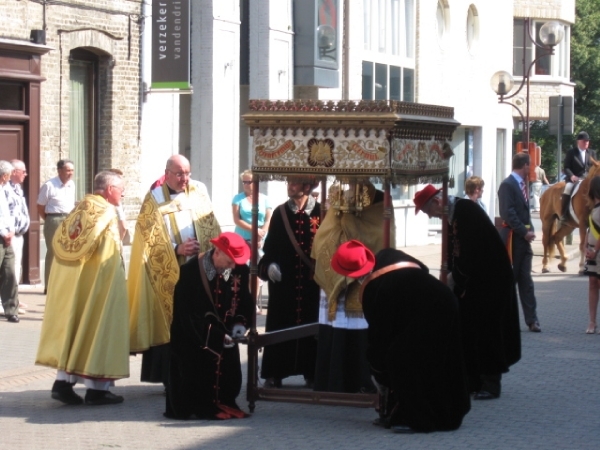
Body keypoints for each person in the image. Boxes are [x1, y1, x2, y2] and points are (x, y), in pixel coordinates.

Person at [334, 241, 470, 433]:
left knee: (401, 360)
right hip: (445, 299)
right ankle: (447, 409)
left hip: (431, 312)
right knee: (439, 360)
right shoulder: (388, 255)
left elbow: (379, 338)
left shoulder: (372, 290)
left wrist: (377, 371)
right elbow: (420, 268)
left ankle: (415, 418)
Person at [414, 185, 521, 399]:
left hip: (491, 281)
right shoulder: (452, 215)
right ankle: (472, 379)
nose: (429, 217)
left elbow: (470, 252)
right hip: (475, 282)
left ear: (436, 202)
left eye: (428, 211)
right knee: (469, 330)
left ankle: (490, 383)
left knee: (489, 330)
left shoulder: (466, 212)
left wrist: (454, 279)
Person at [35, 171, 128, 405]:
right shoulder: (106, 211)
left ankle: (63, 383)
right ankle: (98, 390)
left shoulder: (80, 207)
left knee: (74, 328)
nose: (124, 193)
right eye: (121, 189)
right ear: (109, 190)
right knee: (98, 329)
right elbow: (110, 249)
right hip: (99, 285)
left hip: (74, 282)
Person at [128, 154, 221, 387]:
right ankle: (171, 376)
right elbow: (147, 238)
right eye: (179, 174)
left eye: (188, 173)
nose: (185, 178)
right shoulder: (155, 199)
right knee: (174, 322)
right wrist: (177, 248)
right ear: (167, 173)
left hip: (199, 267)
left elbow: (210, 223)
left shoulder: (199, 191)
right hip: (171, 270)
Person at [311, 181, 391, 393]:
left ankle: (362, 380)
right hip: (335, 271)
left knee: (361, 329)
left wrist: (350, 224)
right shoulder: (340, 200)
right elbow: (323, 236)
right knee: (336, 328)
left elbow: (381, 236)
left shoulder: (381, 202)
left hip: (365, 275)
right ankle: (332, 380)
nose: (354, 186)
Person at [165, 232, 254, 420]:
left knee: (227, 376)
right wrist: (217, 336)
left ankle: (224, 400)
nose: (233, 266)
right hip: (194, 339)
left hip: (226, 335)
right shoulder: (190, 272)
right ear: (218, 253)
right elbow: (187, 315)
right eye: (229, 262)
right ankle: (201, 404)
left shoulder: (240, 269)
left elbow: (245, 301)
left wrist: (240, 323)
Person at [258, 176, 321, 388]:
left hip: (312, 285)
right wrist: (270, 266)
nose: (290, 186)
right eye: (289, 182)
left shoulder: (322, 212)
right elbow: (270, 249)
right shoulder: (280, 212)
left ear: (307, 186)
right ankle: (275, 372)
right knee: (280, 326)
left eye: (295, 183)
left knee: (312, 327)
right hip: (285, 285)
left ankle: (312, 372)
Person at [498, 152, 541, 332]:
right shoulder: (507, 185)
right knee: (510, 280)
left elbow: (523, 213)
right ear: (524, 166)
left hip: (523, 241)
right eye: (529, 166)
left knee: (526, 281)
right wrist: (524, 232)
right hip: (512, 240)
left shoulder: (523, 184)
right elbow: (508, 213)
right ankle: (501, 318)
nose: (530, 170)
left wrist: (530, 229)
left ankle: (532, 320)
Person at [37, 159, 76, 293]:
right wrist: (49, 219)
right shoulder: (49, 185)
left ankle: (64, 285)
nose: (70, 173)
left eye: (72, 170)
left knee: (68, 251)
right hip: (54, 218)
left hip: (69, 219)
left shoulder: (72, 185)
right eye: (67, 170)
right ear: (59, 171)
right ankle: (49, 286)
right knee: (53, 252)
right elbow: (40, 206)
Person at [561, 131, 597, 223]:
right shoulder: (571, 152)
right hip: (575, 179)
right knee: (568, 188)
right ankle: (564, 213)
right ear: (578, 142)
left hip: (588, 180)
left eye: (587, 141)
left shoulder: (592, 153)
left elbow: (595, 167)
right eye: (584, 141)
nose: (586, 143)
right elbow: (566, 167)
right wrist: (572, 176)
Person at [231, 169, 272, 249]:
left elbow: (268, 220)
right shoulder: (237, 198)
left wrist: (261, 235)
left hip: (261, 239)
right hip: (242, 238)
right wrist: (254, 230)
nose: (246, 185)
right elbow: (236, 220)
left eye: (248, 182)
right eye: (244, 182)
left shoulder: (265, 199)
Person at [0, 161, 19, 323]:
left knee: (10, 273)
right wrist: (3, 233)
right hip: (1, 236)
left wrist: (11, 230)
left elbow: (8, 213)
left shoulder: (5, 189)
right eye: (9, 174)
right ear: (4, 175)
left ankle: (11, 309)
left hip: (7, 237)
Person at [583, 176, 600, 334]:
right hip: (591, 250)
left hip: (598, 251)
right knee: (592, 283)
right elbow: (590, 229)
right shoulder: (592, 207)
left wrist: (594, 250)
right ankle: (592, 321)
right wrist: (585, 246)